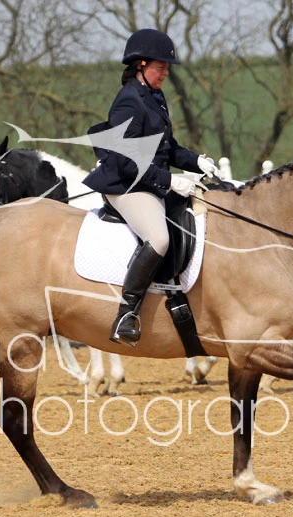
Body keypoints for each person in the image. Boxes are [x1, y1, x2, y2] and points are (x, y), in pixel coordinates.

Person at [83, 28, 219, 347]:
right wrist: (170, 180)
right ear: (141, 65)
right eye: (161, 67)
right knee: (158, 238)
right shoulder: (128, 102)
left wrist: (197, 161)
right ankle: (126, 315)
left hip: (149, 180)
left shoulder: (155, 97)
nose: (166, 73)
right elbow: (127, 161)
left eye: (167, 68)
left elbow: (167, 149)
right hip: (126, 185)